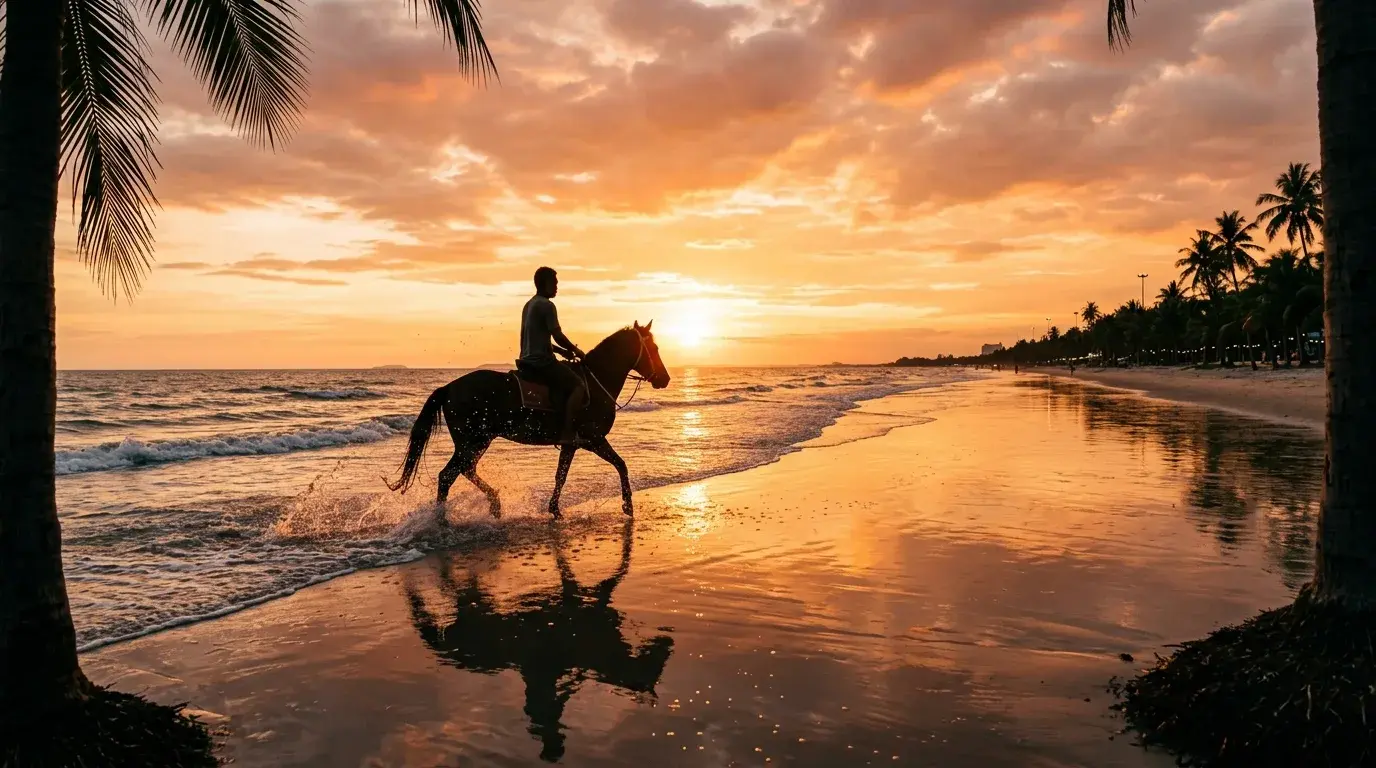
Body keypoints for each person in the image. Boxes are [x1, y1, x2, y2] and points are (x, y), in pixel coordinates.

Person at [518, 267, 588, 445]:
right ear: (544, 283)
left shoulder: (529, 304)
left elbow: (538, 338)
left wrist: (562, 351)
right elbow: (557, 335)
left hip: (525, 361)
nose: (557, 286)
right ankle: (567, 434)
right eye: (554, 283)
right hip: (541, 363)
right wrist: (577, 350)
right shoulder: (547, 306)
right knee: (579, 386)